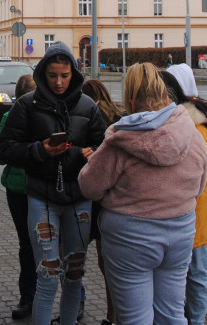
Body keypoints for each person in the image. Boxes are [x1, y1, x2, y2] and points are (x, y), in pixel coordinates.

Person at [78, 62, 207, 325]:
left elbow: (89, 186)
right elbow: (201, 185)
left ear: (130, 100)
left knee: (135, 318)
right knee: (171, 313)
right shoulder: (192, 135)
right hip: (180, 232)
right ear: (165, 94)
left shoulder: (120, 141)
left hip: (130, 238)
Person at [0, 41, 106, 325]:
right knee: (47, 276)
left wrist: (93, 154)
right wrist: (40, 150)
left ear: (74, 74)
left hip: (80, 199)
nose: (58, 82)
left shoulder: (88, 107)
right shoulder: (26, 104)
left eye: (65, 75)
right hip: (41, 197)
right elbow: (7, 148)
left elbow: (105, 147)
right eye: (53, 75)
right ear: (43, 73)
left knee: (73, 276)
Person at [163, 64, 207, 325]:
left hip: (194, 207)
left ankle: (195, 320)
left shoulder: (194, 122)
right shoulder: (195, 116)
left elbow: (200, 169)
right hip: (192, 205)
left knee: (196, 271)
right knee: (188, 271)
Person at [0, 73, 39, 320]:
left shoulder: (22, 116)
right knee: (40, 245)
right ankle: (32, 297)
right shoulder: (13, 117)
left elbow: (0, 152)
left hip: (28, 190)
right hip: (23, 189)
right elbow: (0, 152)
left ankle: (29, 298)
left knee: (29, 246)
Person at [81, 78, 126, 325]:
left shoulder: (92, 117)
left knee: (77, 257)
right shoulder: (120, 118)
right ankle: (112, 316)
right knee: (107, 264)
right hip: (113, 200)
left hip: (92, 197)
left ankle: (77, 302)